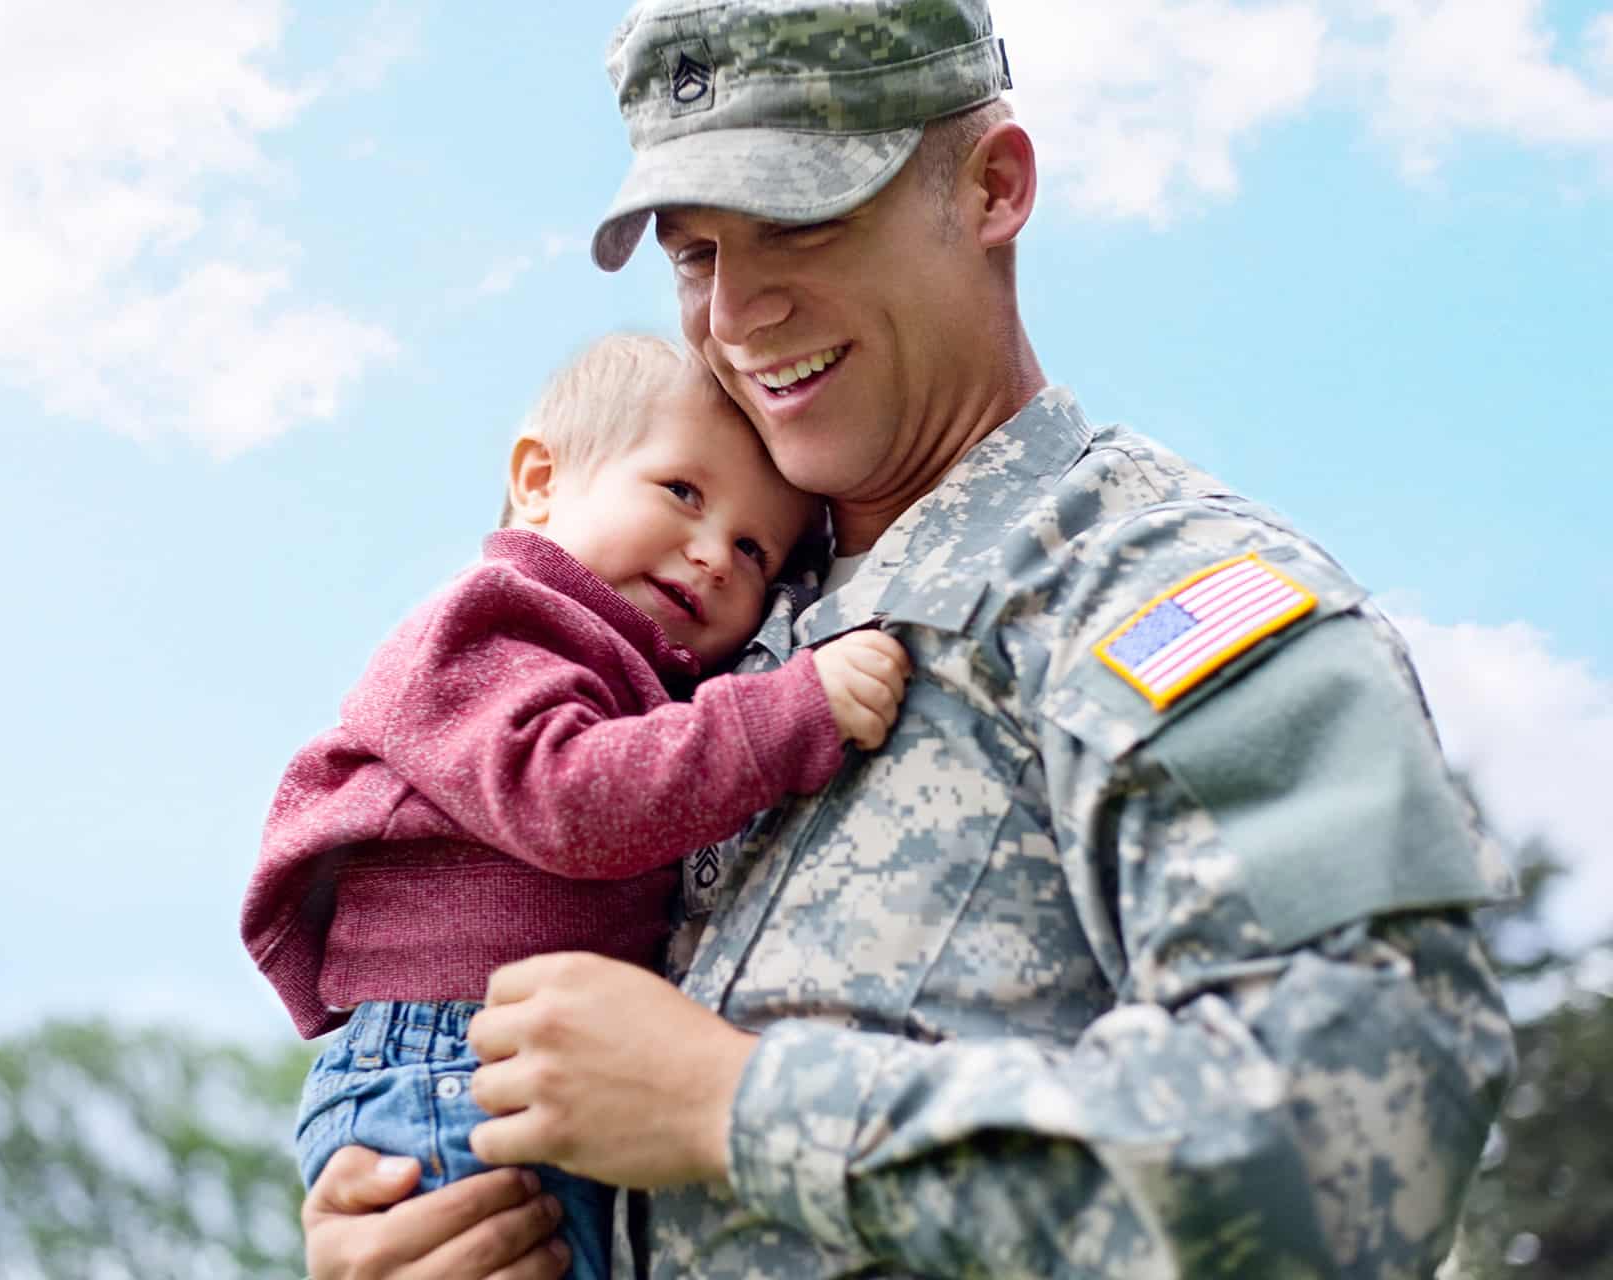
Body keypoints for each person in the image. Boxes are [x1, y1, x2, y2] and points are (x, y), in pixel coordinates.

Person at [301, 2, 1520, 1276]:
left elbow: (1364, 1141)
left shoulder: (1164, 588)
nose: (739, 309)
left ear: (994, 187)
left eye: (801, 219)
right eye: (695, 251)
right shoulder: (695, 630)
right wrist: (413, 1211)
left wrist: (735, 1105)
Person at [242, 333, 912, 1279]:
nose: (717, 554)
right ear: (540, 480)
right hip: (454, 1058)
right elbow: (571, 800)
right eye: (683, 492)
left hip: (528, 1063)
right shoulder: (497, 623)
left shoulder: (639, 668)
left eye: (756, 549)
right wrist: (792, 711)